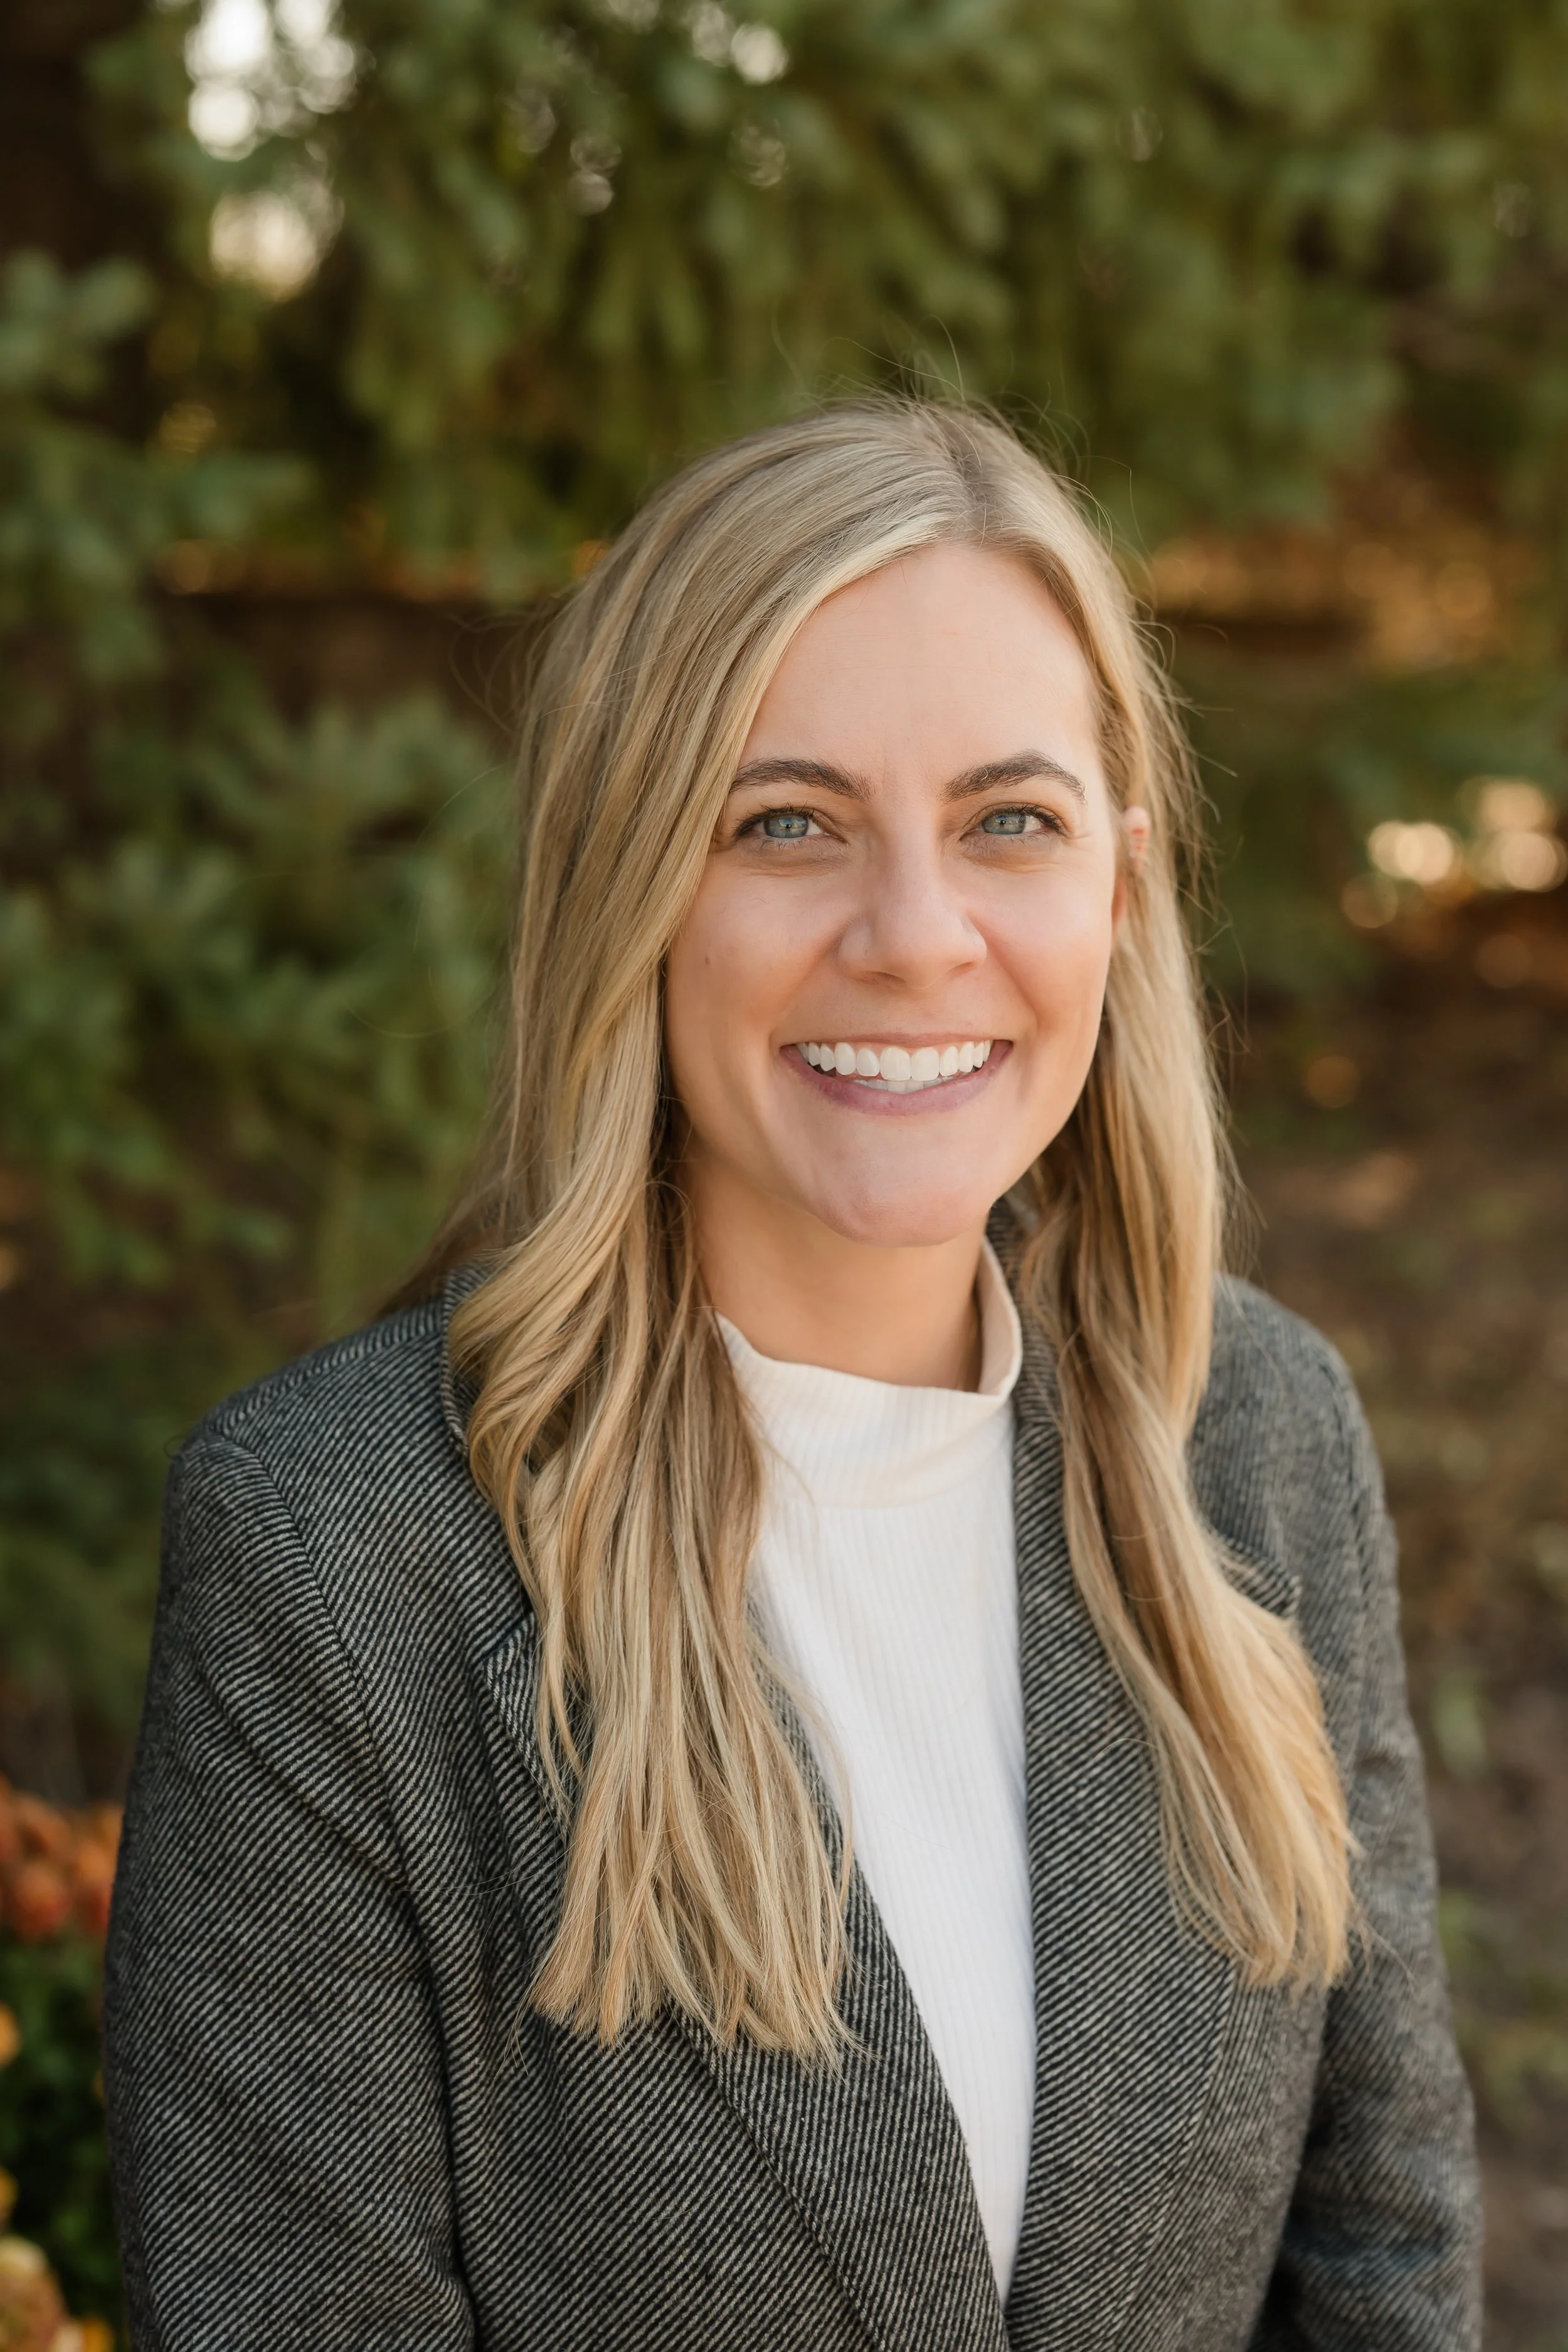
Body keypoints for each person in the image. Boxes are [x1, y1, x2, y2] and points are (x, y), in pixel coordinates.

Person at [103, 402, 1481, 2349]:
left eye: (1009, 820)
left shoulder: (1255, 1441)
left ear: (1120, 885)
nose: (914, 936)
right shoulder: (336, 1559)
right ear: (629, 885)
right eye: (784, 823)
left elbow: (1384, 2262)